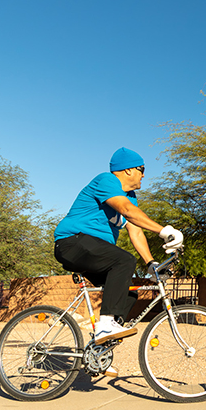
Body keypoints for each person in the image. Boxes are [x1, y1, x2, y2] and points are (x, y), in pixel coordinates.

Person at [53, 148, 183, 375]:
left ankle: (99, 351)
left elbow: (136, 231)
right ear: (128, 170)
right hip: (71, 242)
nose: (144, 175)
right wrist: (165, 231)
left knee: (131, 290)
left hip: (91, 249)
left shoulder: (130, 197)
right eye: (142, 170)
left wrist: (151, 263)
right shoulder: (106, 180)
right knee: (124, 260)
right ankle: (104, 326)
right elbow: (127, 211)